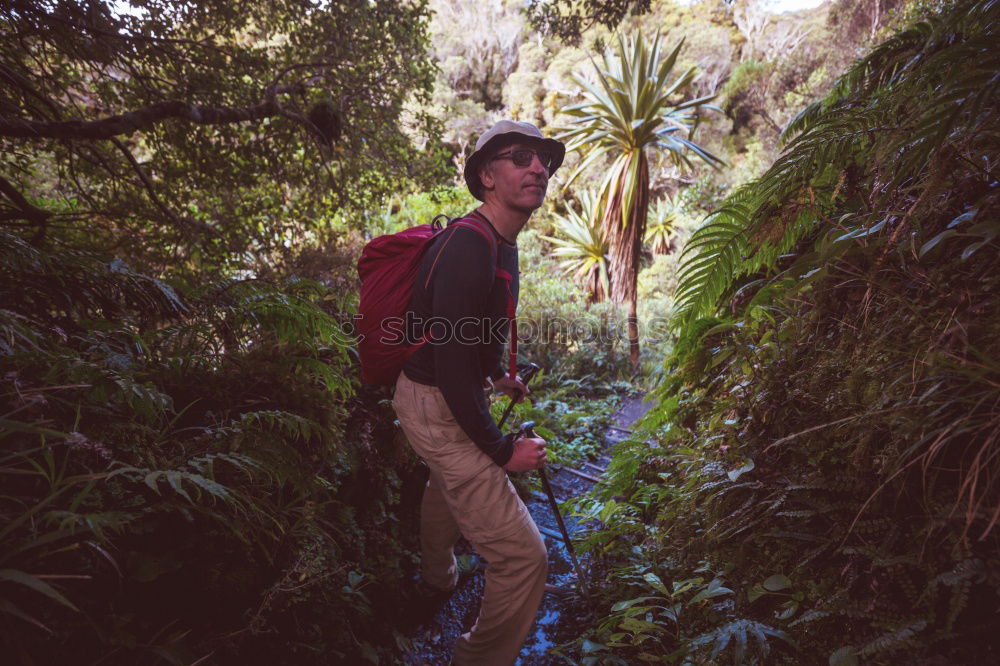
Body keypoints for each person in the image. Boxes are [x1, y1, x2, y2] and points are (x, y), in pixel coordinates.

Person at [392, 120, 565, 665]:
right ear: (487, 176)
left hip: (442, 397)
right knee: (522, 557)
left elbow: (471, 336)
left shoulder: (499, 241)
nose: (537, 168)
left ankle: (436, 579)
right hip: (436, 402)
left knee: (445, 487)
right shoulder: (470, 243)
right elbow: (448, 360)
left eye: (543, 162)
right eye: (520, 158)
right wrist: (501, 452)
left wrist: (496, 378)